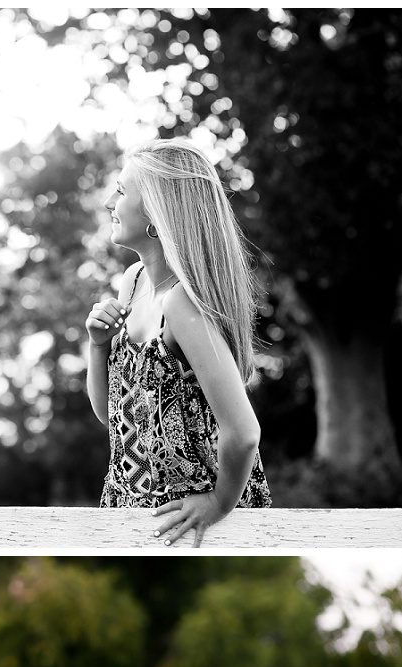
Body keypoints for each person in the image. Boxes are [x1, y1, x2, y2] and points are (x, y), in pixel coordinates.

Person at [84, 137, 270, 547]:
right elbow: (110, 417)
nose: (108, 203)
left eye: (120, 190)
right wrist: (98, 346)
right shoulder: (131, 283)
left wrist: (219, 503)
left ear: (155, 210)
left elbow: (242, 432)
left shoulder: (182, 305)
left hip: (190, 523)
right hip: (130, 508)